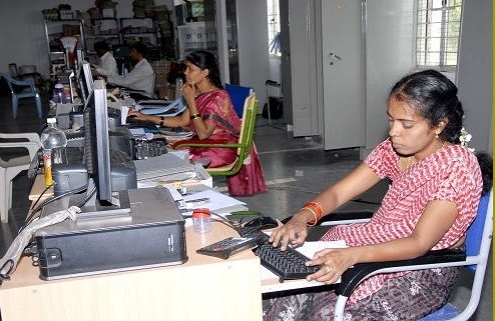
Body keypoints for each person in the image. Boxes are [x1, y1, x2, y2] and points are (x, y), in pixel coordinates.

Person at [264, 69, 492, 320]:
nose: (394, 132)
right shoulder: (393, 151)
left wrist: (351, 256)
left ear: (439, 125)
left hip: (419, 271)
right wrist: (303, 215)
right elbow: (339, 193)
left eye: (406, 124)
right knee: (281, 292)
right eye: (391, 120)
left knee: (327, 313)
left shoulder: (456, 168)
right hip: (371, 246)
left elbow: (418, 243)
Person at [128, 50, 267, 196]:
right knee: (162, 151)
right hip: (207, 145)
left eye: (191, 69)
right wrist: (146, 117)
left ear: (205, 72)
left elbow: (203, 133)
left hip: (219, 149)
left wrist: (191, 101)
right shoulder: (200, 93)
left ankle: (176, 200)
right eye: (186, 68)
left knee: (167, 161)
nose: (186, 73)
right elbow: (182, 121)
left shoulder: (218, 97)